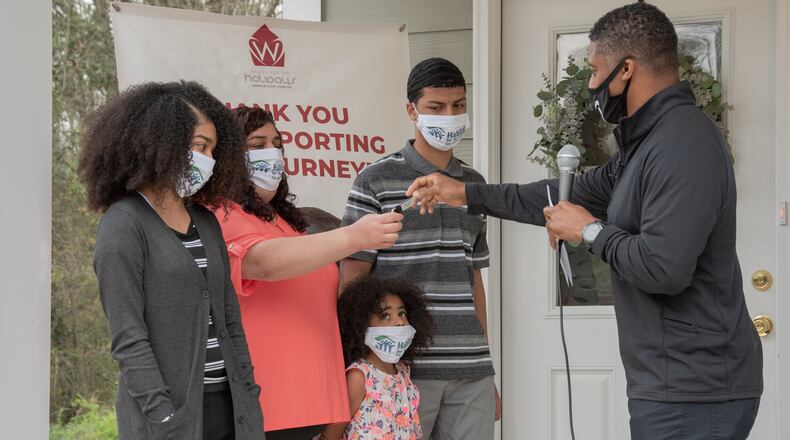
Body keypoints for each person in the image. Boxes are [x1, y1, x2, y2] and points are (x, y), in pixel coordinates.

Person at [406, 3, 763, 439]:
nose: (592, 85)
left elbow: (663, 268)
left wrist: (588, 230)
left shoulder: (683, 144)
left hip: (697, 388)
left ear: (626, 69)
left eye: (595, 71)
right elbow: (556, 196)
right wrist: (464, 193)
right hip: (671, 382)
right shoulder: (645, 145)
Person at [79, 81, 264, 440]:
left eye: (213, 150)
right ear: (161, 141)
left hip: (231, 407)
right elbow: (128, 337)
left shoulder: (206, 222)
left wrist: (248, 392)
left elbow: (230, 320)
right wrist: (163, 417)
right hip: (170, 416)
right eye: (199, 146)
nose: (208, 159)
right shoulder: (123, 224)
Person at [213, 106, 403, 440]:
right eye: (257, 145)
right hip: (265, 407)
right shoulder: (219, 214)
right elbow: (263, 263)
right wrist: (353, 237)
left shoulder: (286, 221)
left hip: (314, 405)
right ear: (229, 156)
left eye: (276, 143)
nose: (271, 153)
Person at [340, 57, 501, 440]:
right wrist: (358, 364)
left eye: (458, 105)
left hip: (470, 368)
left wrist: (487, 366)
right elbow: (352, 280)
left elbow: (473, 280)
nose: (449, 116)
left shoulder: (473, 185)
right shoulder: (374, 180)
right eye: (436, 107)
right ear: (412, 110)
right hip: (401, 368)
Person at [321, 276, 434, 440]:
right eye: (385, 315)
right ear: (361, 324)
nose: (399, 322)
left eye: (402, 313)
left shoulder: (403, 371)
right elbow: (332, 433)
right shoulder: (359, 377)